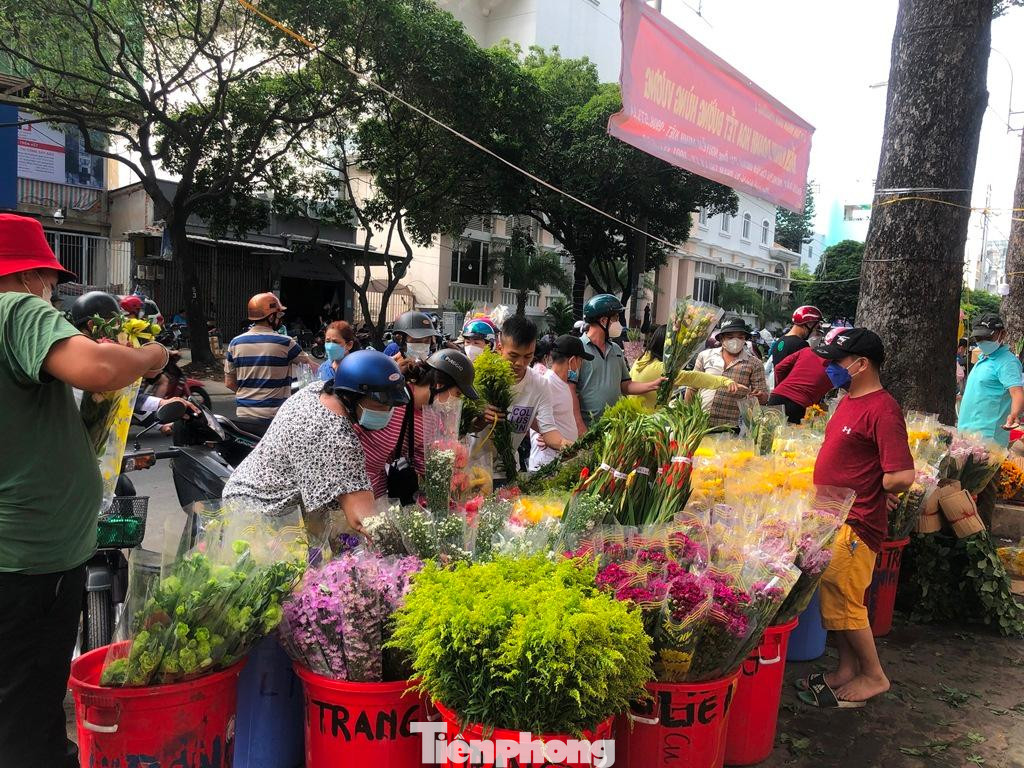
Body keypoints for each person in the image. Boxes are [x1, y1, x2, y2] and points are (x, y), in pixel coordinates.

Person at [0, 213, 170, 768]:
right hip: (31, 559)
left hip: (18, 553)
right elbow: (97, 367)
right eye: (49, 280)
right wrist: (151, 357)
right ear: (27, 277)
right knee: (25, 718)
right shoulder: (14, 308)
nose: (52, 291)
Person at [798, 328, 915, 709]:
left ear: (861, 364)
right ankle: (848, 669)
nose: (830, 367)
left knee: (847, 602)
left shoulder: (883, 408)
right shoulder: (848, 400)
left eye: (837, 361)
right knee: (836, 600)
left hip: (855, 522)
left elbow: (901, 474)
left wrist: (878, 489)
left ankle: (874, 675)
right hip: (832, 518)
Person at [223, 350, 408, 544]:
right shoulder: (333, 437)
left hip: (255, 497)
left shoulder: (318, 391)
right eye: (380, 405)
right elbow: (366, 519)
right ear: (351, 396)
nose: (388, 412)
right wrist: (408, 555)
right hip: (259, 515)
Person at [355, 348, 478, 500]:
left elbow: (425, 462)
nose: (457, 401)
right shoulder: (392, 400)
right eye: (458, 394)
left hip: (378, 493)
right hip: (351, 489)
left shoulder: (433, 418)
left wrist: (457, 482)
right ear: (440, 385)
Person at [471, 316, 568, 483]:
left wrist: (572, 446)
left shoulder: (540, 384)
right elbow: (461, 427)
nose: (520, 363)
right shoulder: (480, 376)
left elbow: (550, 433)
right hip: (470, 468)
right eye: (513, 355)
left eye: (527, 356)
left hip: (506, 472)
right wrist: (480, 419)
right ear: (500, 347)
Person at [958, 314, 1024, 526]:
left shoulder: (1007, 362)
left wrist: (1014, 415)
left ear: (1001, 334)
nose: (982, 342)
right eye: (979, 338)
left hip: (988, 441)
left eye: (988, 337)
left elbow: (1017, 392)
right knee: (964, 493)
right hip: (967, 436)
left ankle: (982, 541)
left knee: (983, 494)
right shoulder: (985, 359)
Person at [224, 292, 308, 436]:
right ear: (270, 317)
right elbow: (310, 367)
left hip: (244, 417)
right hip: (274, 418)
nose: (280, 320)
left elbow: (229, 383)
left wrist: (252, 395)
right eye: (278, 316)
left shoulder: (235, 343)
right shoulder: (285, 343)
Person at [576, 293, 663, 424]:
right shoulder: (578, 349)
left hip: (614, 427)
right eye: (616, 318)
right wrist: (579, 426)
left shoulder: (616, 349)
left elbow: (626, 385)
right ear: (603, 321)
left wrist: (653, 385)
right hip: (586, 427)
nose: (619, 323)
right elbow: (570, 392)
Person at [629, 324, 745, 410]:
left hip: (632, 416)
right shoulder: (663, 369)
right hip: (648, 423)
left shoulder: (640, 361)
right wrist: (726, 381)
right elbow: (694, 378)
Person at [689, 317, 769, 429]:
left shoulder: (754, 363)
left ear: (745, 339)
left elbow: (763, 396)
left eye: (740, 337)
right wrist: (686, 415)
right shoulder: (705, 356)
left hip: (730, 426)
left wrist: (759, 396)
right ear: (721, 339)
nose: (735, 341)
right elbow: (692, 387)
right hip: (699, 421)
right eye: (730, 337)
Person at [528, 335, 590, 471]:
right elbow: (529, 415)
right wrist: (543, 433)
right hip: (546, 465)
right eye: (581, 361)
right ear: (573, 361)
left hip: (561, 462)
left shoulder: (563, 384)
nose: (580, 365)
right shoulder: (547, 384)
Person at [767, 326, 849, 424]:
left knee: (766, 434)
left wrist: (783, 387)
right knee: (788, 438)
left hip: (776, 397)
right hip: (798, 406)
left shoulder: (807, 351)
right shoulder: (843, 368)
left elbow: (779, 368)